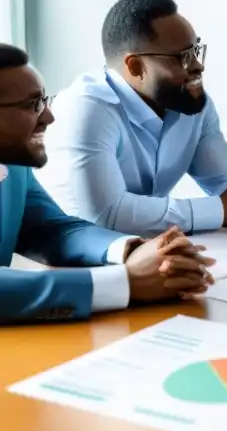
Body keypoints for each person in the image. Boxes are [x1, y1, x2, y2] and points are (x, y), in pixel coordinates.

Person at [36, 0, 227, 236]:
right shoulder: (85, 109)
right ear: (135, 66)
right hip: (72, 259)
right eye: (183, 57)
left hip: (149, 246)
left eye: (196, 50)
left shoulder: (190, 102)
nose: (198, 66)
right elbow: (106, 216)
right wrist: (221, 209)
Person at [0, 44, 214, 323]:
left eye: (44, 101)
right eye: (33, 105)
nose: (49, 118)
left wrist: (133, 251)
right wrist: (125, 283)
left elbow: (51, 229)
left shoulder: (13, 163)